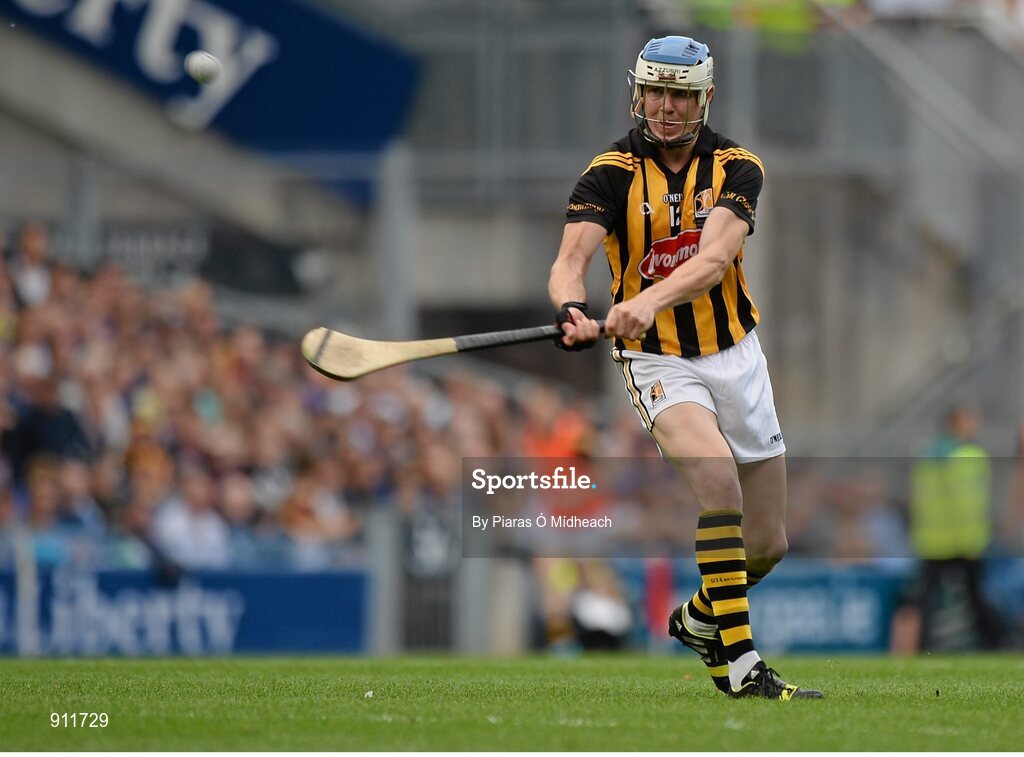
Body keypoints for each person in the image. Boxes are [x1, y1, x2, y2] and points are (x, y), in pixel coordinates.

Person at [548, 35, 821, 699]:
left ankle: (700, 619)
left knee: (767, 543)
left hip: (737, 356)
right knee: (717, 481)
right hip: (658, 361)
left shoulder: (737, 167)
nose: (667, 106)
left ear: (706, 98)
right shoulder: (608, 173)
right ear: (637, 92)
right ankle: (741, 666)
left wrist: (643, 298)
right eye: (656, 91)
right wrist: (570, 310)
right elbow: (568, 263)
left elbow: (712, 260)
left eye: (681, 93)